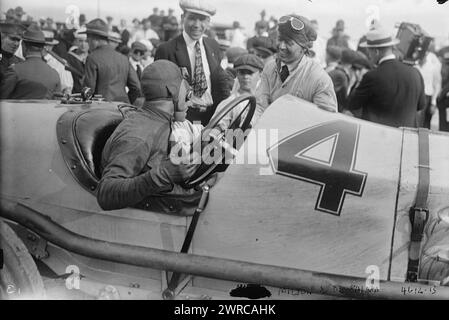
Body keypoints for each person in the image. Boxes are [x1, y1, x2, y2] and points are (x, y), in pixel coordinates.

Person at [97, 60, 201, 213]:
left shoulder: (165, 120)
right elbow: (106, 194)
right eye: (185, 89)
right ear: (172, 90)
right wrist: (163, 174)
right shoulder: (138, 134)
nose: (190, 99)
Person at [155, 0, 232, 126]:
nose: (197, 25)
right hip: (182, 121)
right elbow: (160, 93)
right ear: (182, 18)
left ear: (208, 22)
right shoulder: (166, 49)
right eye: (192, 18)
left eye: (202, 20)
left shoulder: (213, 46)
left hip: (212, 118)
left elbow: (221, 83)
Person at [254, 14, 338, 123]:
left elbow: (326, 124)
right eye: (280, 40)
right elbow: (260, 106)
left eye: (289, 43)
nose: (282, 46)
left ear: (304, 48)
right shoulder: (270, 67)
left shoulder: (320, 80)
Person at [347, 25, 426, 128]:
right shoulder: (415, 73)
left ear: (376, 51)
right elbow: (421, 105)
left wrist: (356, 81)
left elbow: (352, 104)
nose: (369, 55)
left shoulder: (372, 76)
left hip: (379, 137)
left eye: (369, 51)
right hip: (406, 138)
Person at [81, 18, 141, 103]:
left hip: (101, 110)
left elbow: (88, 91)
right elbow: (136, 87)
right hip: (123, 110)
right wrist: (126, 103)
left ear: (95, 39)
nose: (87, 41)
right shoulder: (123, 58)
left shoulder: (92, 58)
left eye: (88, 38)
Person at [0, 24, 61, 99]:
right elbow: (58, 102)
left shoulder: (16, 68)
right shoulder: (54, 73)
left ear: (23, 45)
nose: (16, 44)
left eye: (18, 40)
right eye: (12, 39)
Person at [214, 54, 264, 131]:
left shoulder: (264, 101)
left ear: (260, 73)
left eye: (250, 73)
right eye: (242, 72)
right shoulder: (230, 103)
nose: (245, 76)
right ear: (237, 74)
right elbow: (216, 129)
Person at [415, 44, 442, 129]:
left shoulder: (433, 65)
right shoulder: (414, 64)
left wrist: (433, 103)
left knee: (424, 124)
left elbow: (437, 85)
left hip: (427, 97)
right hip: (416, 96)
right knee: (417, 123)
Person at [43, 29, 74, 94]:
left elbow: (67, 90)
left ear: (52, 46)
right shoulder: (28, 60)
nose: (44, 48)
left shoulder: (60, 64)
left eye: (47, 45)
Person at [67, 27, 89, 93]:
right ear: (76, 42)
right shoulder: (69, 57)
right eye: (80, 41)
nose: (83, 44)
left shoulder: (93, 58)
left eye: (86, 41)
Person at [437, 51, 449, 131]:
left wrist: (441, 95)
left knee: (444, 124)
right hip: (443, 97)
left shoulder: (445, 67)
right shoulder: (443, 66)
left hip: (444, 98)